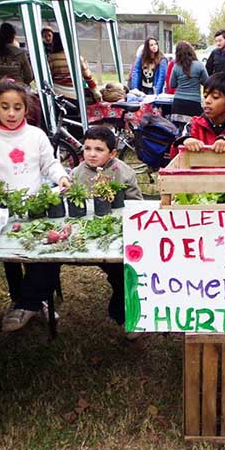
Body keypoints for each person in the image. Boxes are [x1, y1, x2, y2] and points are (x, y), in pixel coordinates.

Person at [0, 78, 71, 332]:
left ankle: (31, 303)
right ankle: (20, 301)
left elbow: (50, 164)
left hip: (36, 208)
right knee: (12, 260)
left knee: (43, 255)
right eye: (5, 107)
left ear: (26, 109)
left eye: (17, 107)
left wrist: (61, 176)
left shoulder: (36, 136)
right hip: (1, 212)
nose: (11, 113)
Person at [70, 126, 142, 336]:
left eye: (99, 149)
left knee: (121, 270)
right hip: (85, 233)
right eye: (87, 148)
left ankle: (126, 313)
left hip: (116, 233)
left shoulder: (123, 172)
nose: (91, 154)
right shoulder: (77, 173)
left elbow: (136, 205)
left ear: (112, 153)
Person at [47, 33, 102, 102]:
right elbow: (88, 77)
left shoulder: (51, 58)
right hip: (76, 95)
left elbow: (47, 78)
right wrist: (95, 91)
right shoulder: (77, 57)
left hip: (57, 96)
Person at [168, 41, 209, 127]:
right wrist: (197, 80)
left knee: (180, 130)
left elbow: (172, 84)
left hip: (178, 103)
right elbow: (207, 83)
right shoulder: (199, 65)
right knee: (194, 130)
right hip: (194, 102)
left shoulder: (176, 67)